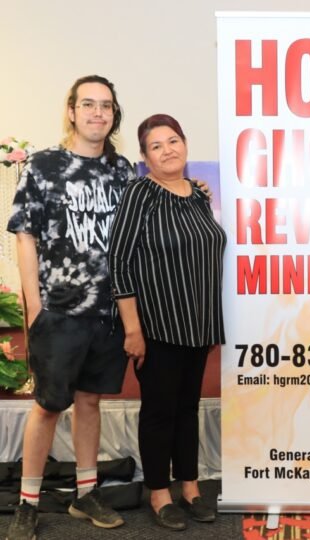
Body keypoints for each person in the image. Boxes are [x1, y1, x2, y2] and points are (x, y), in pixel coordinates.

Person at [6, 75, 132, 540]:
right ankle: (27, 502)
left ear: (114, 114)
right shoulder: (44, 165)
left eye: (106, 105)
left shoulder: (122, 171)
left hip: (107, 313)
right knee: (47, 406)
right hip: (58, 311)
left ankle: (85, 493)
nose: (98, 112)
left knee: (90, 401)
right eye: (89, 104)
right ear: (72, 112)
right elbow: (25, 234)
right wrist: (34, 307)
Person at [109, 114, 226, 531]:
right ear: (145, 157)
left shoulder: (198, 195)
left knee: (188, 408)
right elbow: (119, 262)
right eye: (156, 146)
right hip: (157, 326)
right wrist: (133, 329)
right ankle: (159, 493)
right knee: (159, 412)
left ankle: (190, 487)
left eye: (173, 140)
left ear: (185, 144)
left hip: (198, 324)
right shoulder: (140, 193)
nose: (167, 150)